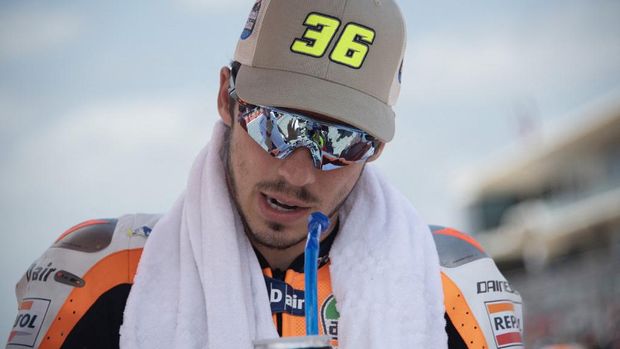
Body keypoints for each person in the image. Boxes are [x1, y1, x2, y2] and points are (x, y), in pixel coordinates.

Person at [6, 0, 523, 348]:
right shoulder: (97, 277)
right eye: (277, 126)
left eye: (341, 143)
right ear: (227, 101)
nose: (299, 173)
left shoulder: (452, 293)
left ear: (378, 148)